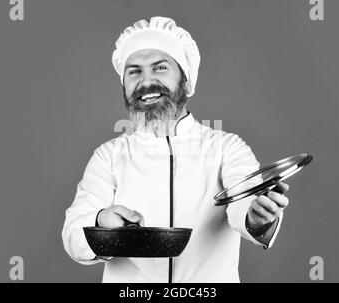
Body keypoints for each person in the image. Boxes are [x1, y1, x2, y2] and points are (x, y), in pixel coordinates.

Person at [62, 16, 290, 283]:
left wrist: (257, 217)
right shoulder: (108, 156)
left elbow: (242, 202)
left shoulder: (227, 148)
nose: (146, 82)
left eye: (160, 68)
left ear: (186, 79)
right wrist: (101, 221)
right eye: (134, 71)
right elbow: (73, 233)